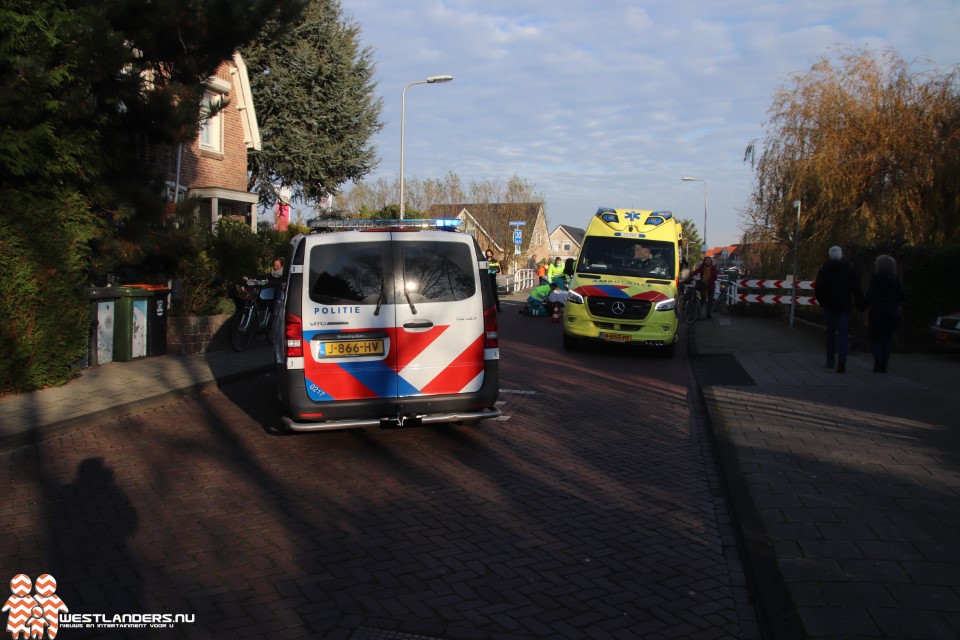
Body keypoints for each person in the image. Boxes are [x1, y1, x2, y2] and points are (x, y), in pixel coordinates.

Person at [814, 245, 864, 373]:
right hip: (844, 306)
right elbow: (856, 289)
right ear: (841, 255)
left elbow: (818, 289)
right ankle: (842, 361)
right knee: (843, 335)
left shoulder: (824, 270)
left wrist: (822, 303)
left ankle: (830, 361)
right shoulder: (849, 270)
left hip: (829, 306)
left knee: (830, 334)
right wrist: (860, 305)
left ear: (830, 255)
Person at [862, 254, 903, 373]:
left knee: (875, 337)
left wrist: (862, 306)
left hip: (878, 310)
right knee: (887, 338)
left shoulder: (876, 277)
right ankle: (884, 363)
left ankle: (878, 361)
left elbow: (870, 294)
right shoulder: (896, 279)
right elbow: (902, 295)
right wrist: (895, 304)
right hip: (891, 311)